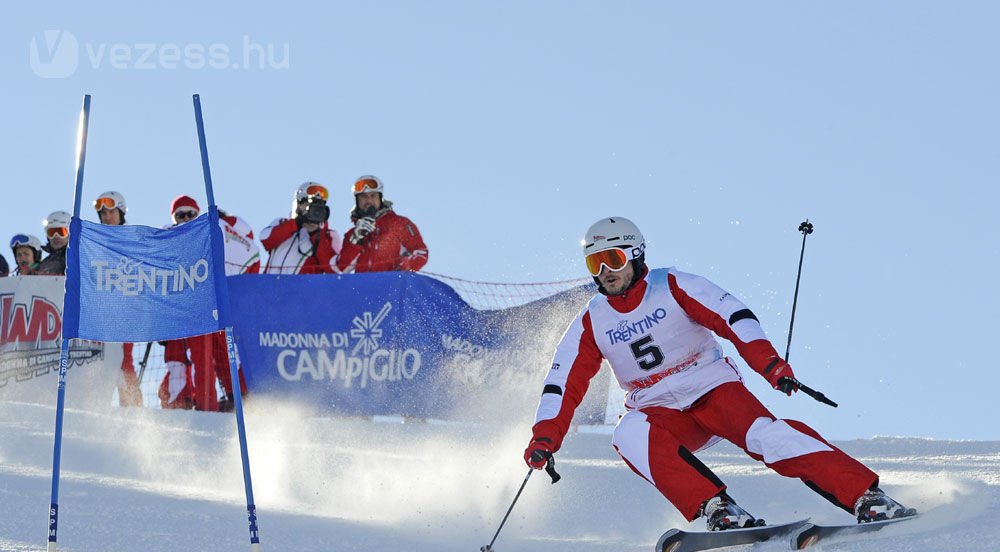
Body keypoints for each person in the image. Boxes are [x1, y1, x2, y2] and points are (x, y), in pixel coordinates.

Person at [524, 217, 916, 530]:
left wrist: (769, 364)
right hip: (660, 409)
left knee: (767, 436)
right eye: (596, 263)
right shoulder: (592, 320)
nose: (606, 271)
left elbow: (733, 315)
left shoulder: (672, 284)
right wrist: (546, 436)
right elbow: (561, 384)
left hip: (712, 387)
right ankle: (716, 508)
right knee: (627, 433)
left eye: (614, 259)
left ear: (636, 254)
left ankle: (865, 496)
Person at [162, 195, 257, 411]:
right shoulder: (168, 235)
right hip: (186, 311)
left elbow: (250, 246)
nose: (186, 219)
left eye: (191, 214)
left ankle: (232, 403)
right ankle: (197, 405)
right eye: (180, 215)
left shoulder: (215, 230)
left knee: (223, 356)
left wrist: (222, 219)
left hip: (215, 306)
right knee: (192, 360)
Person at [93, 190, 143, 407]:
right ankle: (95, 405)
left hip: (125, 309)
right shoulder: (95, 241)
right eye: (103, 213)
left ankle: (131, 404)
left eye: (111, 212)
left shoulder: (130, 239)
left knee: (124, 358)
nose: (106, 217)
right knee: (99, 358)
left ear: (121, 212)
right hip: (101, 310)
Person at [335, 175, 428, 273]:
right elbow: (342, 269)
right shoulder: (352, 234)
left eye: (373, 196)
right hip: (363, 287)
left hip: (392, 285)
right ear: (357, 201)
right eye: (363, 197)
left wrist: (402, 270)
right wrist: (355, 241)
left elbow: (421, 252)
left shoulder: (399, 223)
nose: (369, 201)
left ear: (380, 198)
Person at [261, 182, 341, 274]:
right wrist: (296, 223)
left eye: (318, 207)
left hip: (300, 287)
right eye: (308, 205)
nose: (313, 211)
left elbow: (334, 269)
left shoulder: (329, 235)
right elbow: (265, 238)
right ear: (298, 205)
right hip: (269, 285)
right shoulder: (281, 223)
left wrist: (315, 235)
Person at [37, 211, 71, 275]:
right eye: (51, 232)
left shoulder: (77, 258)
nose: (56, 236)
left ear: (69, 234)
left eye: (61, 232)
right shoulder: (44, 264)